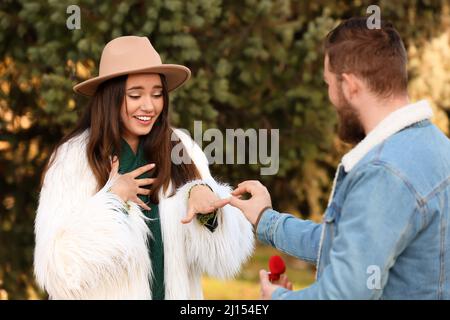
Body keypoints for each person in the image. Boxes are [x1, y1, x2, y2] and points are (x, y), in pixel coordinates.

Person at [226, 17, 450, 299]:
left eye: (329, 84)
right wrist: (265, 220)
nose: (330, 96)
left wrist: (276, 299)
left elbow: (343, 294)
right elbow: (351, 245)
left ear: (350, 85)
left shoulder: (384, 172)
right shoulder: (436, 146)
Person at [33, 36, 254, 299]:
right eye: (135, 95)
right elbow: (58, 268)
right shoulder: (73, 159)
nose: (149, 106)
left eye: (157, 94)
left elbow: (226, 253)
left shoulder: (182, 148)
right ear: (110, 97)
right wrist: (112, 201)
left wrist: (205, 199)